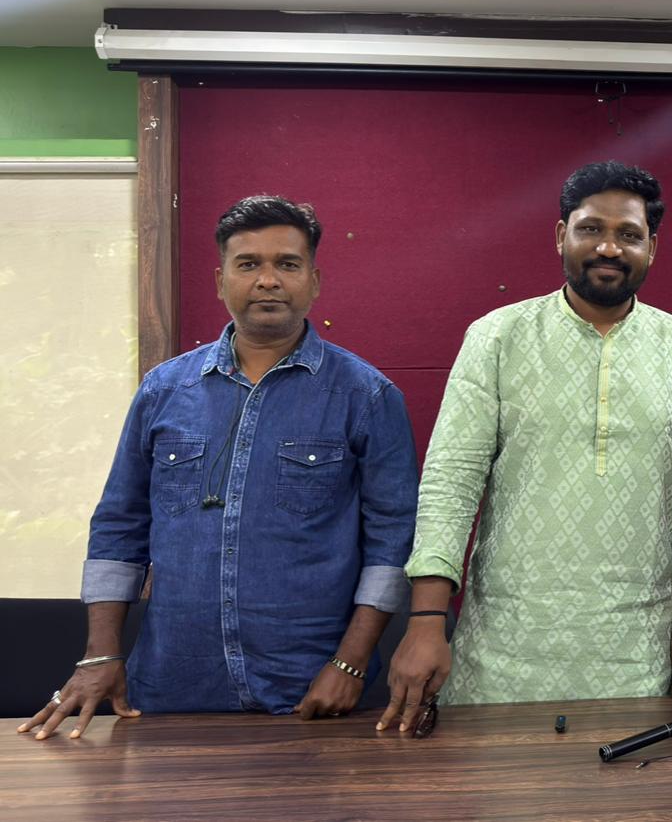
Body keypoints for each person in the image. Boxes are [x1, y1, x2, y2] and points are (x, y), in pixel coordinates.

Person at [18, 196, 418, 740]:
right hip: (172, 686)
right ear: (220, 280)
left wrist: (350, 663)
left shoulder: (365, 396)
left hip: (315, 691)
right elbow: (118, 527)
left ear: (314, 281)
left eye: (287, 264)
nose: (268, 280)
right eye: (248, 264)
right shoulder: (164, 390)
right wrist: (100, 654)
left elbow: (393, 542)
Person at [379, 161, 672, 728]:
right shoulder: (497, 336)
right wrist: (425, 622)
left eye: (629, 234)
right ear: (562, 235)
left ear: (652, 247)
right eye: (591, 229)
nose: (609, 247)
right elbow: (451, 481)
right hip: (504, 648)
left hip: (640, 649)